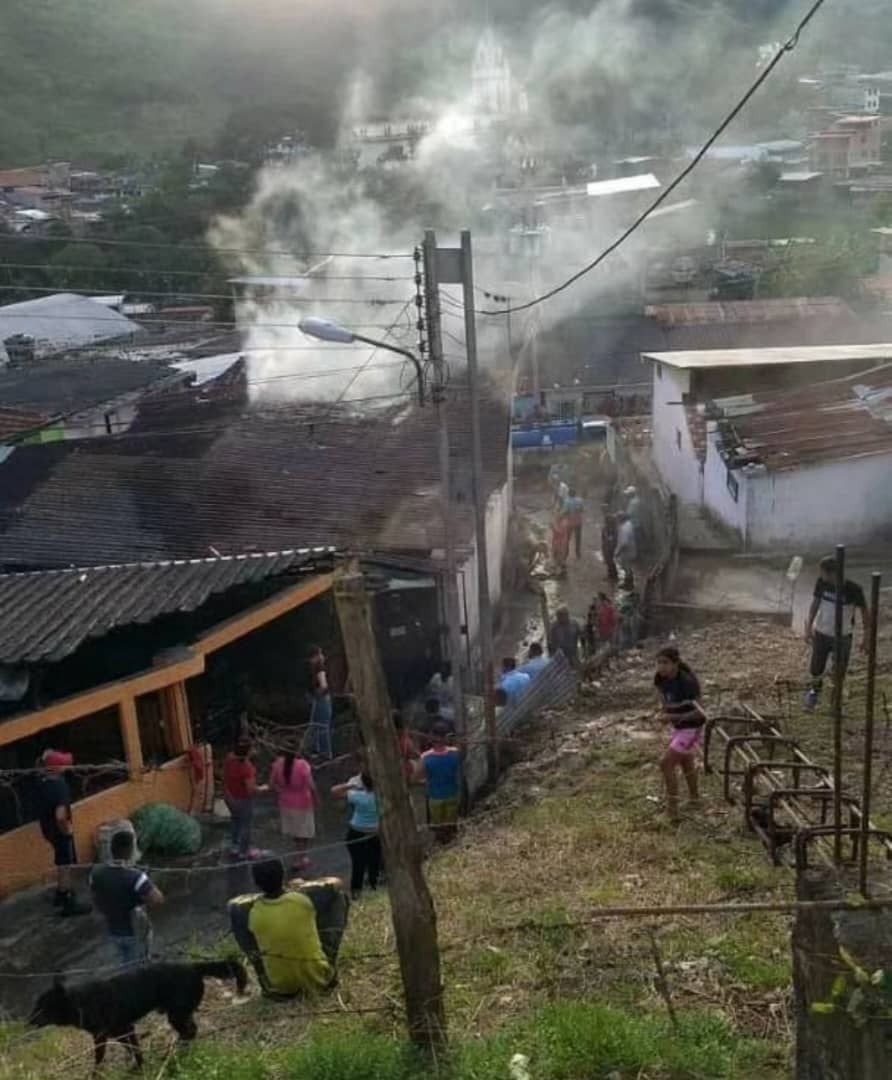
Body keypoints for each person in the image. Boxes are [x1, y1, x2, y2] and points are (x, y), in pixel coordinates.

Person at [229, 857, 337, 997]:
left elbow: (232, 904)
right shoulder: (302, 899)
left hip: (280, 988)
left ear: (256, 883)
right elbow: (336, 882)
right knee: (338, 898)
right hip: (321, 981)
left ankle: (262, 972)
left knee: (237, 914)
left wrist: (256, 897)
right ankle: (329, 956)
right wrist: (300, 885)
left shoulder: (254, 913)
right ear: (283, 875)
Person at [804, 556, 869, 711]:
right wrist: (808, 627)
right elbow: (815, 605)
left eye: (823, 573)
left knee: (839, 671)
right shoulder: (821, 584)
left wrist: (866, 638)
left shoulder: (854, 589)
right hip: (822, 633)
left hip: (843, 636)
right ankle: (813, 696)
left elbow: (865, 614)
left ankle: (836, 703)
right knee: (816, 669)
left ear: (832, 573)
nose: (821, 576)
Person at [90, 830, 163, 967]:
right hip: (133, 932)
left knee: (116, 972)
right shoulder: (135, 876)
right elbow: (157, 899)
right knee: (136, 971)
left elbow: (95, 896)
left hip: (109, 931)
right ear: (131, 851)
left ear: (111, 849)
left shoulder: (96, 872)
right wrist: (141, 901)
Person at [653, 645, 704, 823]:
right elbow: (662, 697)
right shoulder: (661, 678)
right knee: (685, 761)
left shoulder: (687, 682)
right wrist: (662, 710)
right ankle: (695, 799)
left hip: (692, 728)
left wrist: (672, 716)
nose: (661, 667)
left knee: (665, 764)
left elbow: (700, 712)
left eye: (665, 663)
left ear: (675, 663)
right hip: (680, 728)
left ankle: (672, 810)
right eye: (658, 663)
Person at [37, 749, 90, 917]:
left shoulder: (42, 780)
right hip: (58, 830)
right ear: (57, 768)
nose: (67, 766)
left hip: (47, 828)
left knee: (61, 860)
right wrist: (66, 831)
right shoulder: (60, 786)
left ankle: (60, 893)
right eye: (63, 764)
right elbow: (60, 815)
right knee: (65, 863)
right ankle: (67, 901)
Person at [331, 772, 381, 898]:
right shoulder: (381, 797)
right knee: (374, 864)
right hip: (375, 834)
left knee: (358, 865)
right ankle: (374, 891)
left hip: (356, 833)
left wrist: (351, 785)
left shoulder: (357, 796)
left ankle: (356, 894)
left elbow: (334, 791)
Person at [270, 750, 318, 871]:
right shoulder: (303, 765)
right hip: (303, 802)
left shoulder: (277, 764)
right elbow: (311, 785)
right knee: (304, 832)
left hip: (286, 802)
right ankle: (301, 858)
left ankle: (299, 855)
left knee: (295, 831)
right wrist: (316, 798)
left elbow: (272, 784)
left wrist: (281, 791)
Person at [415, 720, 461, 844]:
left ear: (432, 737)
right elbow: (458, 770)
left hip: (435, 796)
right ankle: (451, 843)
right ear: (446, 737)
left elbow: (417, 776)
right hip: (452, 793)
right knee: (450, 823)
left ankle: (441, 844)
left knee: (438, 825)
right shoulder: (455, 752)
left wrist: (426, 780)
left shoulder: (425, 757)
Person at [223, 735, 267, 859]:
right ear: (248, 751)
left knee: (235, 821)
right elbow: (250, 789)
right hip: (242, 799)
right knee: (245, 824)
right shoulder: (247, 768)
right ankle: (244, 851)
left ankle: (234, 846)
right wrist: (263, 788)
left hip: (229, 796)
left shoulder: (229, 758)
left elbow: (224, 776)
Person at [304, 645, 333, 759]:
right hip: (320, 699)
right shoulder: (314, 669)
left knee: (321, 726)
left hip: (321, 700)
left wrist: (315, 695)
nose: (322, 656)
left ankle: (325, 752)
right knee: (315, 725)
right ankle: (317, 750)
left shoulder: (320, 668)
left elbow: (324, 686)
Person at [564, 487, 585, 560]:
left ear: (568, 494)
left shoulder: (567, 501)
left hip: (570, 522)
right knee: (578, 538)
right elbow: (582, 510)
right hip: (578, 522)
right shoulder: (580, 500)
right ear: (575, 494)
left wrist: (560, 515)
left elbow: (565, 511)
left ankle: (566, 552)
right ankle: (578, 553)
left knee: (567, 538)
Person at [614, 512, 637, 576]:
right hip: (631, 549)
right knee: (628, 567)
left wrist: (617, 552)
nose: (617, 520)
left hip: (627, 551)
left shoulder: (624, 528)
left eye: (618, 518)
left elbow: (624, 542)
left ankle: (628, 582)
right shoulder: (628, 524)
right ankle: (629, 581)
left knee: (626, 567)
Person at [601, 510, 619, 584]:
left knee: (609, 560)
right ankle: (611, 574)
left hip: (609, 547)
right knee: (608, 560)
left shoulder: (611, 529)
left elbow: (609, 538)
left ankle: (613, 575)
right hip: (608, 546)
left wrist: (608, 544)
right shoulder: (609, 528)